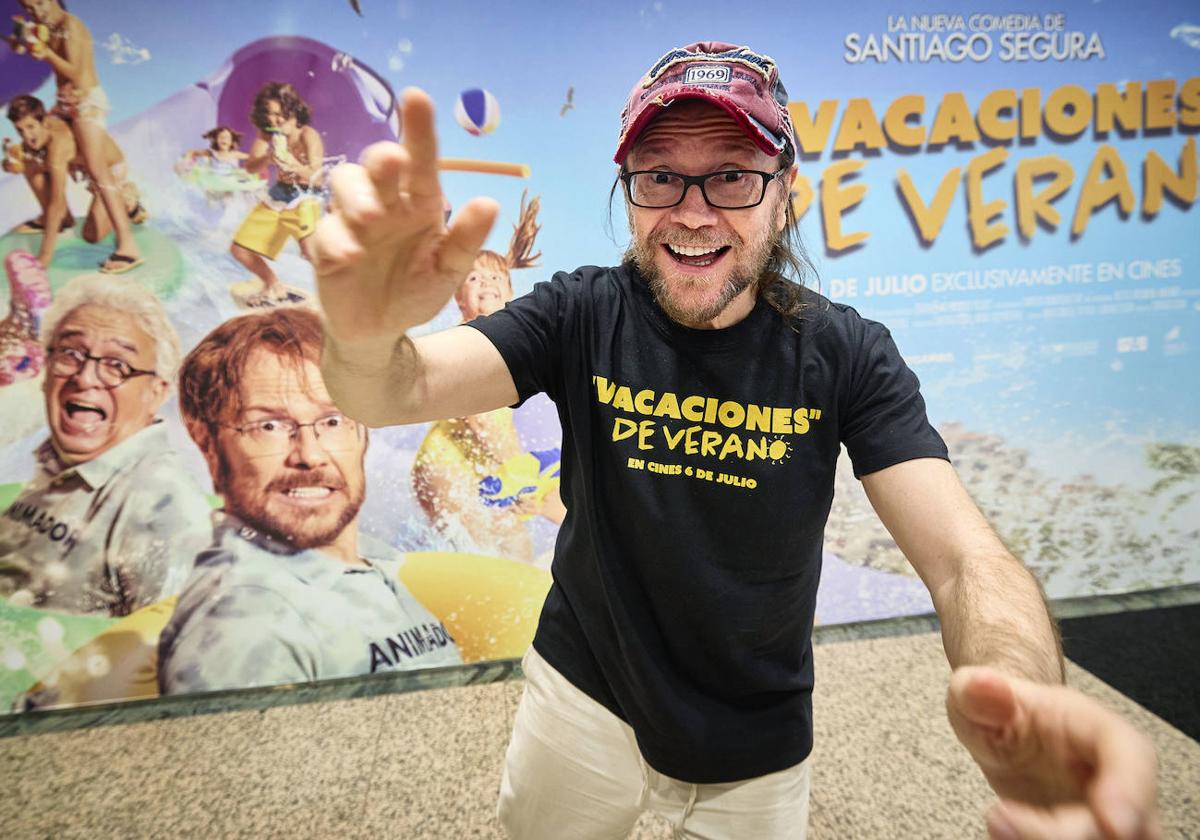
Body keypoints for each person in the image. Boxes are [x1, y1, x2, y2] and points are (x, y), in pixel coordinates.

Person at [312, 42, 1162, 840]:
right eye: (660, 178)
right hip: (581, 686)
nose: (691, 212)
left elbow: (965, 560)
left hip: (753, 731)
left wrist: (1021, 697)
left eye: (731, 177)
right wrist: (359, 337)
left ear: (785, 191)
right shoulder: (581, 314)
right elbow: (399, 388)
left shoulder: (844, 354)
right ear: (629, 188)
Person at [159, 307, 461, 695]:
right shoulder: (245, 624)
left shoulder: (360, 565)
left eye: (333, 420)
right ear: (208, 443)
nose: (309, 454)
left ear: (363, 434)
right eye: (269, 425)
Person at [0, 274, 212, 616]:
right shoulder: (62, 461)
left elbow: (164, 658)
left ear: (156, 392)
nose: (84, 378)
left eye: (118, 365)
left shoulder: (165, 515)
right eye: (70, 354)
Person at [411, 192, 566, 565]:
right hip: (444, 465)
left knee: (515, 545)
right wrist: (521, 471)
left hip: (480, 464)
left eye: (496, 276)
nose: (487, 283)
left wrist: (524, 479)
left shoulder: (508, 345)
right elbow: (479, 417)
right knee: (487, 552)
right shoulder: (468, 342)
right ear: (458, 298)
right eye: (474, 277)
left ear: (512, 293)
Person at [17, 0, 144, 274]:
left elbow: (76, 72)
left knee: (98, 172)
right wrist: (25, 45)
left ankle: (129, 243)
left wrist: (45, 52)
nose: (36, 12)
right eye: (29, 9)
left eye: (39, 3)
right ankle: (57, 217)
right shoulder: (46, 27)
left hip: (86, 102)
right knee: (32, 152)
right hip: (65, 105)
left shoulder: (71, 26)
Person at [3, 95, 147, 268]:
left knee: (91, 235)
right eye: (20, 130)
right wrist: (12, 163)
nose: (26, 136)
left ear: (44, 121)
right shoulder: (39, 134)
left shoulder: (59, 144)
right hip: (84, 167)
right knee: (28, 159)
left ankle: (128, 202)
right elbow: (27, 156)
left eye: (31, 127)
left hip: (110, 171)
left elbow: (56, 205)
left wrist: (44, 257)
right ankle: (64, 221)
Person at [228, 81, 325, 307]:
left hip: (305, 196)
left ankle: (346, 296)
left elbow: (317, 177)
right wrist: (268, 158)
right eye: (271, 115)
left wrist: (294, 166)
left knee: (311, 252)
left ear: (293, 111)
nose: (277, 120)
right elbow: (250, 167)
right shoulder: (267, 134)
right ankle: (274, 285)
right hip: (279, 194)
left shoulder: (307, 135)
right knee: (239, 250)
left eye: (282, 114)